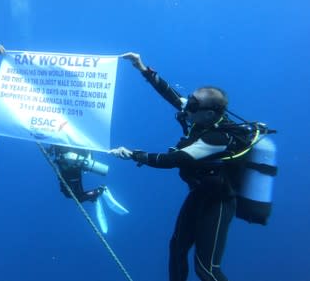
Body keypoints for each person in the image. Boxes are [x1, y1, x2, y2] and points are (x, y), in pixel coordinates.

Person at [110, 52, 274, 281]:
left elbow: (173, 160)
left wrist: (133, 154)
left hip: (218, 201)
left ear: (208, 113)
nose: (186, 109)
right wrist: (142, 68)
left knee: (206, 269)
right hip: (200, 193)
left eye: (192, 105)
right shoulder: (201, 115)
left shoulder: (216, 138)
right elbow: (172, 96)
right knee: (177, 248)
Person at [49, 145, 129, 234]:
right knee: (71, 194)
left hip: (70, 168)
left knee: (73, 195)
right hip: (71, 167)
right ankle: (97, 193)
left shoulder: (62, 140)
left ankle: (99, 192)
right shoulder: (68, 140)